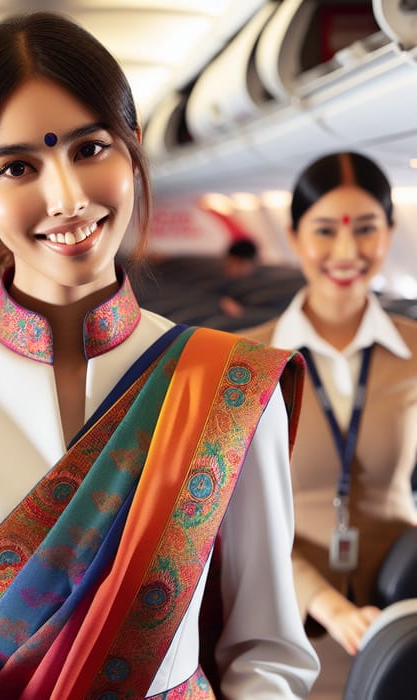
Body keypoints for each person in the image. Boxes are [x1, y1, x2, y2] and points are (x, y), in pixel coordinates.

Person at [0, 12, 319, 698]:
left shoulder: (228, 385)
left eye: (90, 150)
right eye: (20, 166)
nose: (67, 198)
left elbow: (268, 654)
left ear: (133, 150)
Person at [243, 151, 417, 697]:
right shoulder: (246, 359)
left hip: (400, 614)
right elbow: (239, 519)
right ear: (294, 237)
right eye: (325, 231)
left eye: (367, 229)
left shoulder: (416, 351)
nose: (347, 251)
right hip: (286, 623)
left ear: (390, 233)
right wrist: (327, 603)